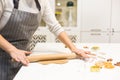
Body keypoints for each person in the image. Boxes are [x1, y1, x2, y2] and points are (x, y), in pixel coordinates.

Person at [0, 0, 90, 80]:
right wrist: (12, 50)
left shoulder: (42, 2)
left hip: (25, 58)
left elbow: (55, 26)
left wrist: (73, 48)